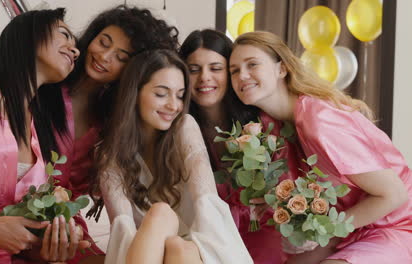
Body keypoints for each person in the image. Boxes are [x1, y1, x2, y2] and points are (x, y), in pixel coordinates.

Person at [0, 5, 180, 262]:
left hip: (36, 235)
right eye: (103, 42)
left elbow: (23, 206)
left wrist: (58, 232)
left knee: (171, 246)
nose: (104, 56)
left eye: (122, 57)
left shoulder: (104, 127)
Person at [229, 30, 412, 264]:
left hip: (391, 225)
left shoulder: (319, 121)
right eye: (234, 70)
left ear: (281, 68)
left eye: (252, 64)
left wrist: (323, 231)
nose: (242, 75)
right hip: (349, 230)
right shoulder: (272, 127)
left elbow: (394, 194)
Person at [0, 8, 86, 263]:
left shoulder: (41, 133)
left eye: (76, 47)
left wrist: (49, 244)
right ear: (28, 35)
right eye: (64, 35)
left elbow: (11, 229)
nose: (74, 50)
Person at [94, 49, 252, 264]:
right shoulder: (109, 153)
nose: (174, 105)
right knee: (162, 219)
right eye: (161, 94)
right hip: (145, 252)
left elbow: (206, 201)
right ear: (135, 92)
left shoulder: (184, 127)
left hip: (200, 250)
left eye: (180, 95)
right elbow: (123, 229)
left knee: (177, 244)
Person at [179, 29, 305, 263]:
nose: (204, 77)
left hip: (261, 233)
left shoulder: (261, 123)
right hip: (205, 235)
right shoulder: (179, 129)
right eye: (193, 70)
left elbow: (284, 188)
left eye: (216, 68)